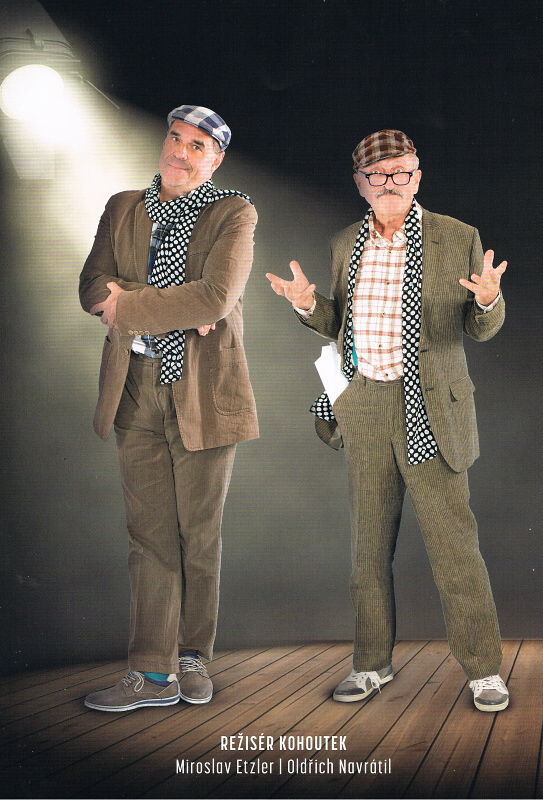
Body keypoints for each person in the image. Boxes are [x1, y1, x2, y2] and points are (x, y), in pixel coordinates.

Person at [266, 129, 509, 712]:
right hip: (366, 405)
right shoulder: (345, 242)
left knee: (454, 548)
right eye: (377, 176)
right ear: (361, 185)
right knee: (368, 551)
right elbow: (340, 325)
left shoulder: (457, 237)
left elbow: (479, 330)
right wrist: (308, 305)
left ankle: (484, 672)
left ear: (417, 177)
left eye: (401, 172)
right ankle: (371, 664)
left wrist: (487, 300)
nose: (390, 183)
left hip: (429, 407)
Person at [79, 105, 258, 712]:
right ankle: (152, 675)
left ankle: (192, 658)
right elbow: (90, 286)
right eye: (175, 138)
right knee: (149, 536)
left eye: (197, 146)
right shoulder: (123, 207)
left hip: (204, 392)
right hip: (133, 386)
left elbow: (215, 296)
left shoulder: (233, 211)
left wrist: (129, 303)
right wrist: (177, 307)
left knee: (197, 535)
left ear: (216, 159)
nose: (180, 152)